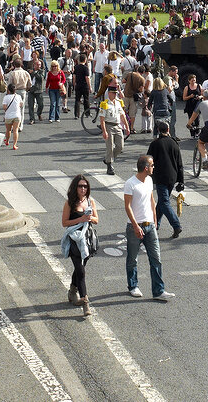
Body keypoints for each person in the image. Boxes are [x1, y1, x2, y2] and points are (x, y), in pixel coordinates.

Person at [123, 155, 174, 302]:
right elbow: (127, 206)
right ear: (146, 168)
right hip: (134, 228)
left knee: (156, 258)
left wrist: (155, 219)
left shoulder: (150, 180)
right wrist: (135, 225)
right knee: (133, 259)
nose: (153, 167)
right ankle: (133, 286)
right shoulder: (130, 184)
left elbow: (152, 200)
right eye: (152, 165)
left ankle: (159, 290)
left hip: (150, 226)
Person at [61, 173, 99, 317]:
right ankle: (85, 302)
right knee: (81, 271)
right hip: (74, 240)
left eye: (85, 186)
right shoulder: (69, 203)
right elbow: (64, 223)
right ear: (75, 187)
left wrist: (90, 218)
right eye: (80, 186)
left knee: (80, 269)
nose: (83, 189)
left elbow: (96, 220)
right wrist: (80, 219)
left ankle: (72, 291)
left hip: (87, 239)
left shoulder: (90, 202)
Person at [148, 121, 184, 238]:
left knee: (164, 202)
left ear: (158, 130)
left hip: (161, 177)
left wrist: (146, 176)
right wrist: (181, 181)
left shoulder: (155, 144)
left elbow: (148, 160)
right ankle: (155, 225)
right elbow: (180, 163)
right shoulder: (174, 143)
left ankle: (176, 225)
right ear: (168, 130)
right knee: (162, 202)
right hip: (172, 177)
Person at [99, 84, 129, 175]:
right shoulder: (105, 104)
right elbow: (102, 119)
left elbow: (122, 115)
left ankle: (108, 159)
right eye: (113, 93)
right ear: (109, 93)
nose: (115, 94)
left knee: (120, 146)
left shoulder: (119, 102)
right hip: (109, 126)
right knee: (110, 147)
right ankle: (109, 165)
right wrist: (104, 131)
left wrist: (127, 127)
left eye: (115, 93)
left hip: (117, 126)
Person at [0, 83, 23, 150]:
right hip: (17, 115)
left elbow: (4, 107)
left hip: (8, 116)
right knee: (15, 130)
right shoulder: (18, 96)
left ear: (8, 90)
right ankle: (14, 145)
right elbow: (21, 104)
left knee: (8, 130)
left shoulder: (6, 97)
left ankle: (7, 141)